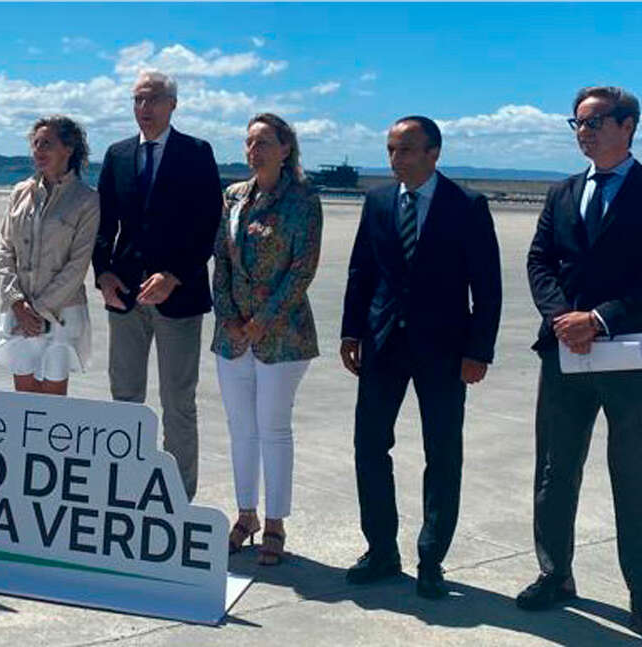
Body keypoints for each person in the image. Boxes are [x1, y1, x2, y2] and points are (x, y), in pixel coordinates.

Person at [339, 116, 502, 598]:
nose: (396, 159)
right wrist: (352, 330)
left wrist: (479, 350)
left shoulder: (467, 206)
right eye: (391, 149)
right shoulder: (379, 200)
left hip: (445, 350)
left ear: (434, 153)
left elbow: (487, 286)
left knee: (443, 453)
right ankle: (382, 550)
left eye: (406, 150)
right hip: (383, 341)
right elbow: (360, 269)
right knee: (369, 448)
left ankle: (432, 557)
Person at [519, 86, 642, 634]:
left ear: (629, 125)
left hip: (630, 355)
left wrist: (600, 318)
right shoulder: (562, 192)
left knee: (634, 475)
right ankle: (554, 574)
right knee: (554, 469)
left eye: (593, 122)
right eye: (577, 123)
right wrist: (562, 318)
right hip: (565, 355)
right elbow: (540, 260)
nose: (583, 131)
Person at [92, 70, 221, 501]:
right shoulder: (117, 154)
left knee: (178, 404)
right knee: (124, 398)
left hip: (178, 298)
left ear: (172, 105)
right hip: (124, 296)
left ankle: (177, 499)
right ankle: (124, 489)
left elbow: (209, 225)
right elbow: (103, 224)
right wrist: (103, 273)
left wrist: (175, 275)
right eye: (137, 100)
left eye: (152, 100)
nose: (143, 109)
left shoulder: (197, 153)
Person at [212, 113, 322, 565]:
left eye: (263, 143)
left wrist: (264, 320)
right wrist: (231, 317)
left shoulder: (303, 201)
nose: (254, 150)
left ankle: (275, 523)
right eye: (249, 142)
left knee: (273, 429)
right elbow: (220, 261)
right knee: (241, 430)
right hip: (232, 333)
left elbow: (303, 269)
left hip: (283, 335)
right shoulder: (234, 197)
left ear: (285, 149)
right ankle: (245, 515)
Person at [0, 116, 99, 395]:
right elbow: (5, 250)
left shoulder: (86, 199)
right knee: (23, 397)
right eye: (35, 144)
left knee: (52, 402)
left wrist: (37, 310)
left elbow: (77, 265)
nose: (38, 151)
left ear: (68, 149)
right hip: (19, 311)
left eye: (46, 144)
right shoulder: (20, 193)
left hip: (61, 313)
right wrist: (16, 302)